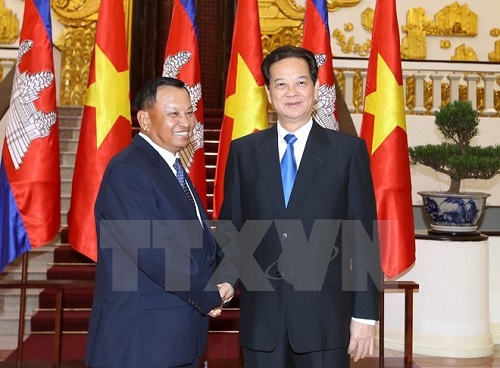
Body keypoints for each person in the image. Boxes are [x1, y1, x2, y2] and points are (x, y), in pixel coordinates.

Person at [218, 45, 380, 367]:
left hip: (325, 318)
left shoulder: (347, 152)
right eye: (281, 84)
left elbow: (362, 238)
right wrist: (223, 279)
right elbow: (233, 229)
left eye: (301, 82)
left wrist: (365, 314)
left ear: (316, 87)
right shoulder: (244, 152)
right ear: (268, 92)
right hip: (263, 319)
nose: (291, 92)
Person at [86, 77, 234, 368]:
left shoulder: (170, 166)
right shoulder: (129, 170)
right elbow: (154, 251)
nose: (186, 121)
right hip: (142, 341)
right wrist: (208, 294)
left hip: (172, 337)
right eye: (173, 113)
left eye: (189, 112)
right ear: (144, 119)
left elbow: (197, 239)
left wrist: (223, 275)